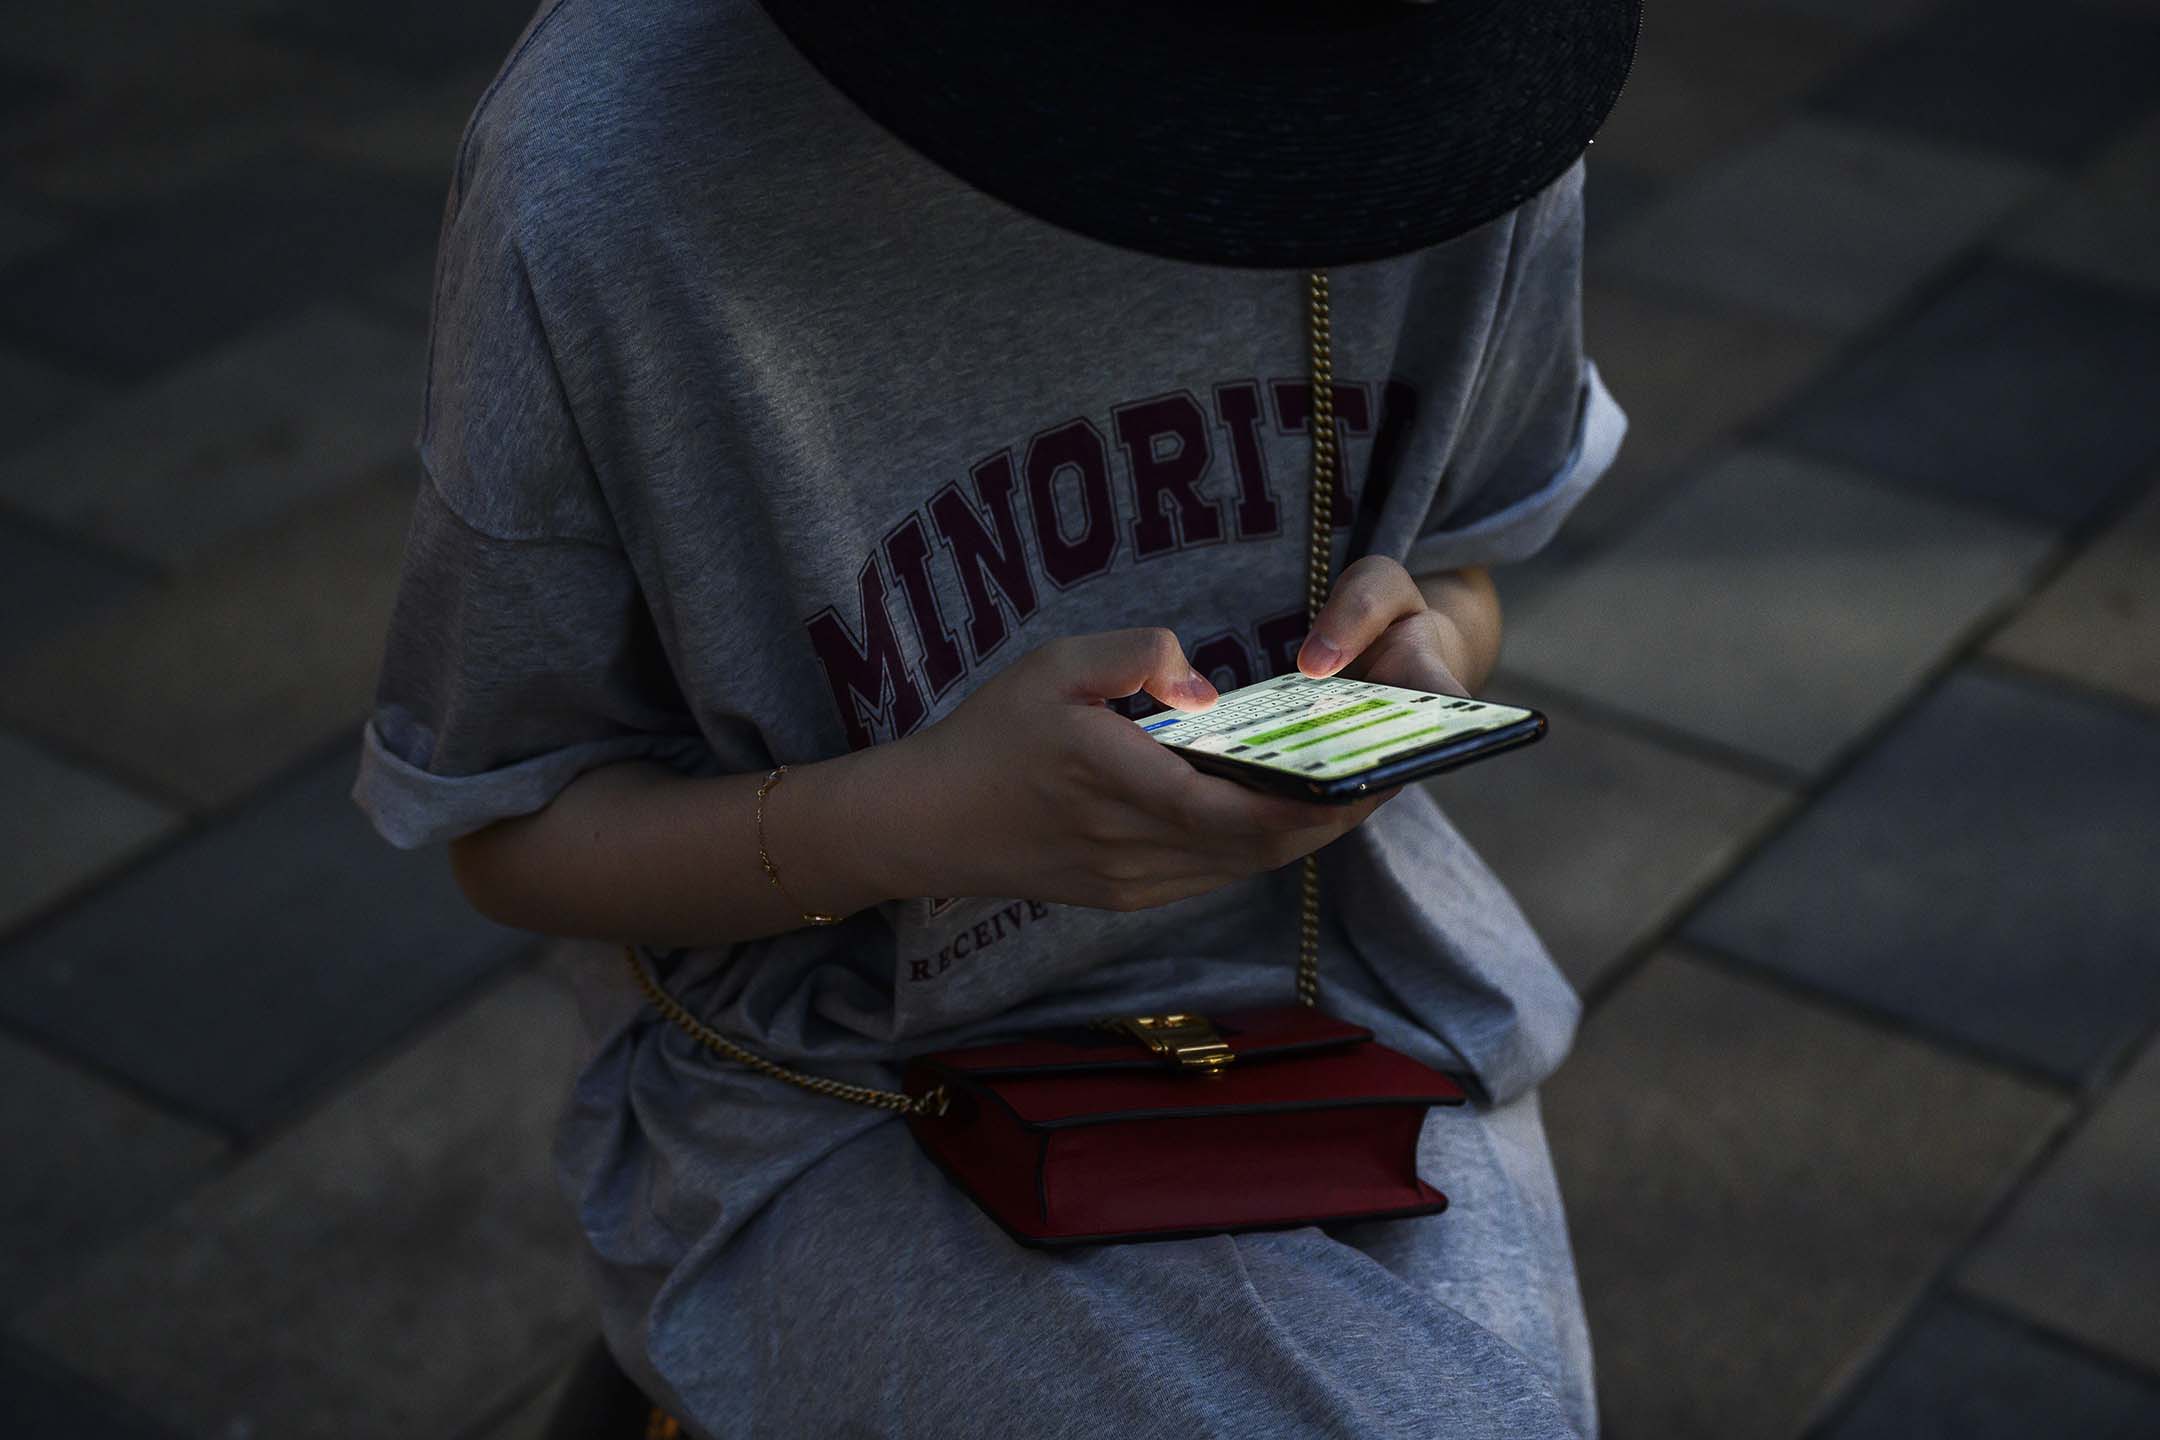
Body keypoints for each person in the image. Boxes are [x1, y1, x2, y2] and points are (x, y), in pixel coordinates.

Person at [351, 0, 1637, 1435]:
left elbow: (1461, 560)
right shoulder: (616, 160)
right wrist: (919, 822)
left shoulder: (1457, 82)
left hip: (1349, 985)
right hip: (826, 1075)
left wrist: (1428, 660)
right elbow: (509, 827)